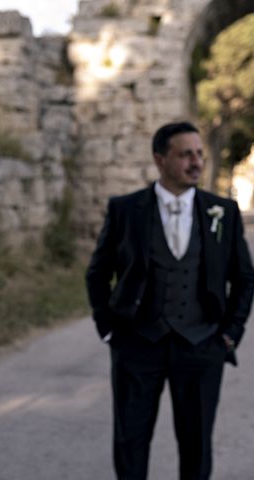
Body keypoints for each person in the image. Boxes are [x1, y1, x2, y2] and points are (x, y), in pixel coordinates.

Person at [85, 121, 254, 480]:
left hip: (201, 346)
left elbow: (244, 278)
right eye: (185, 154)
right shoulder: (125, 210)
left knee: (196, 445)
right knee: (130, 443)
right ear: (160, 160)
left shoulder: (222, 211)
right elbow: (97, 274)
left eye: (199, 154)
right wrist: (109, 329)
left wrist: (229, 334)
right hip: (137, 345)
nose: (196, 162)